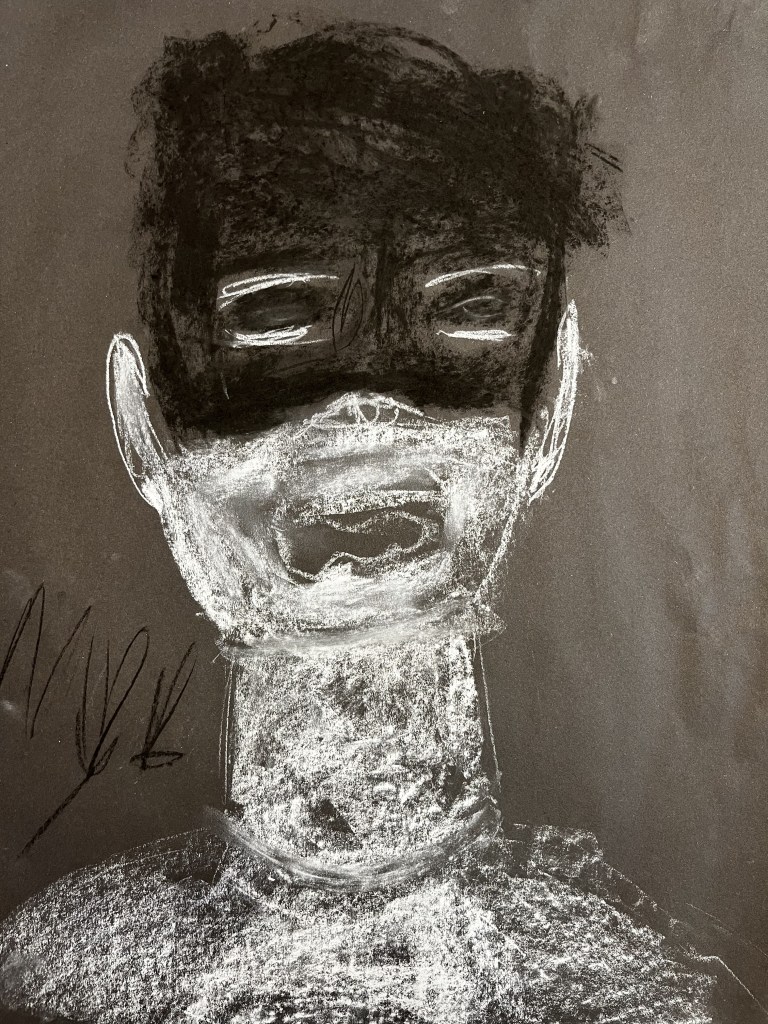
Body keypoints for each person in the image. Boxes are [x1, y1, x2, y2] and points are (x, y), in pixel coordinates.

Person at [0, 21, 755, 1024]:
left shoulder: (651, 997)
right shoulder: (50, 983)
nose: (368, 412)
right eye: (275, 318)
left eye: (469, 310)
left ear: (551, 404)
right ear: (144, 427)